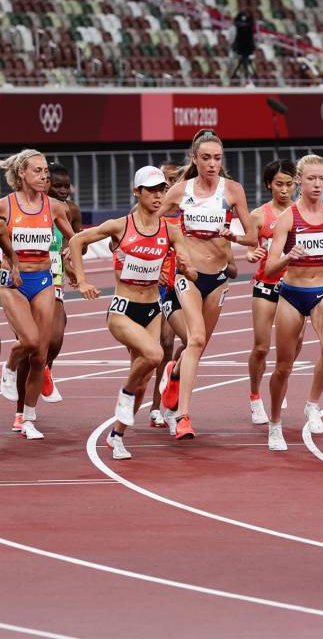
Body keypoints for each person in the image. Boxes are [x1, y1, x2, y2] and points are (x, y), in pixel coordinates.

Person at [68, 166, 196, 459]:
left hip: (152, 309)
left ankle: (117, 436)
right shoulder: (120, 226)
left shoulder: (170, 230)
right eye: (151, 190)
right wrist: (83, 280)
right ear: (137, 192)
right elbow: (77, 240)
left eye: (162, 190)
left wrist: (187, 267)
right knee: (154, 356)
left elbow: (187, 260)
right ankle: (125, 395)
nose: (158, 195)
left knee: (143, 380)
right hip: (123, 310)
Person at [156, 130, 256, 440]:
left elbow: (252, 237)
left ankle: (174, 375)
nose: (212, 164)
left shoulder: (233, 191)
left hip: (218, 279)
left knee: (197, 346)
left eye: (217, 158)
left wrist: (233, 238)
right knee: (196, 339)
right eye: (206, 158)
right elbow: (150, 225)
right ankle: (183, 417)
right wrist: (167, 254)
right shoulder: (179, 191)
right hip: (189, 276)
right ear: (195, 160)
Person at [263, 154, 323, 451]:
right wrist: (287, 257)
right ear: (299, 182)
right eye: (311, 179)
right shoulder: (288, 219)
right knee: (283, 367)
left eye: (322, 178)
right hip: (292, 294)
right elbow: (269, 268)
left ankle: (313, 404)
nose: (317, 184)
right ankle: (275, 424)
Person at [0, 149, 76, 439]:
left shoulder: (55, 207)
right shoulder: (5, 206)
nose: (45, 175)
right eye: (38, 170)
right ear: (22, 173)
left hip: (44, 279)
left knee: (40, 355)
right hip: (13, 281)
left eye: (46, 170)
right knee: (29, 340)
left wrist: (74, 251)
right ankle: (8, 368)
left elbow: (74, 237)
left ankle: (28, 418)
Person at [245, 159, 303, 425]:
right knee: (261, 347)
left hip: (294, 288)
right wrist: (251, 252)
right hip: (266, 285)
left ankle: (280, 378)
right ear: (269, 184)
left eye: (289, 184)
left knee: (295, 344)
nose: (284, 190)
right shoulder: (259, 216)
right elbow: (248, 246)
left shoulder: (302, 213)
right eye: (279, 184)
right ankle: (255, 396)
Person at [147, 160, 185, 429]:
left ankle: (162, 401)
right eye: (164, 182)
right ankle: (151, 405)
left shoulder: (185, 214)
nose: (169, 186)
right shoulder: (149, 215)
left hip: (178, 285)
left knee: (178, 341)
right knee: (157, 347)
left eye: (173, 180)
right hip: (152, 286)